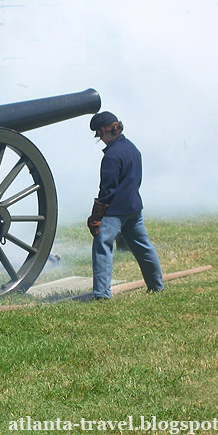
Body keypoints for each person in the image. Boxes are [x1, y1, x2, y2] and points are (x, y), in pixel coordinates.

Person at [87, 111, 164, 299]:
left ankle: (102, 294)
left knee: (102, 246)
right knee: (143, 246)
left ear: (105, 131)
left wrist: (97, 215)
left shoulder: (111, 156)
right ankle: (156, 286)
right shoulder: (133, 149)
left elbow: (107, 190)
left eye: (100, 135)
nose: (101, 140)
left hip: (114, 211)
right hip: (134, 208)